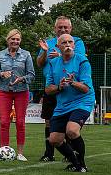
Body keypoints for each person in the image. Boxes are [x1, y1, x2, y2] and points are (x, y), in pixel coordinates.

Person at [36, 16, 87, 162]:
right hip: (52, 87)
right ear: (55, 28)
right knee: (48, 120)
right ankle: (49, 153)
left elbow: (80, 58)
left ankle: (72, 155)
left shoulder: (77, 41)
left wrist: (60, 54)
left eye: (66, 27)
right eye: (60, 27)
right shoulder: (49, 42)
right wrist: (45, 53)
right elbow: (39, 63)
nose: (63, 29)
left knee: (70, 124)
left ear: (71, 29)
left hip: (71, 88)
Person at [44, 34, 94, 172]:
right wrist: (59, 87)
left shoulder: (82, 61)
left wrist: (72, 83)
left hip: (82, 101)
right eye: (64, 42)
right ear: (58, 47)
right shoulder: (53, 63)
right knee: (54, 140)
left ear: (74, 45)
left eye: (70, 42)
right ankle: (74, 162)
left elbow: (85, 89)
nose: (67, 45)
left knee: (71, 130)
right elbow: (48, 90)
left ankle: (81, 165)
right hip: (62, 105)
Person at [0, 29, 35, 161]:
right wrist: (1, 74)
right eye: (13, 39)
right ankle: (4, 151)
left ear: (20, 41)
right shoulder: (0, 55)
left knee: (20, 122)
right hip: (4, 92)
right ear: (8, 40)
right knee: (4, 122)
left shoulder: (26, 55)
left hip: (22, 92)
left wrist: (22, 79)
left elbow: (32, 75)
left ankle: (20, 153)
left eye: (18, 39)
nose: (15, 42)